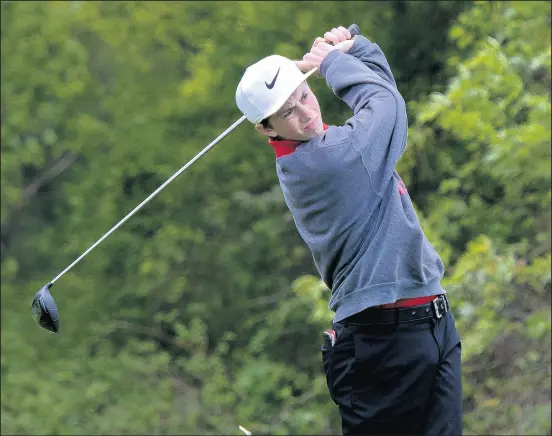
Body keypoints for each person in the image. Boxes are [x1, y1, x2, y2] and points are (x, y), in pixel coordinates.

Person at [235, 25, 462, 435]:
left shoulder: (342, 148)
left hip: (431, 321)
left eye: (304, 95)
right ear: (267, 129)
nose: (306, 113)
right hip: (383, 338)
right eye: (288, 112)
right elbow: (387, 108)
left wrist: (356, 50)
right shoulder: (327, 162)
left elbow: (386, 104)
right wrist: (338, 62)